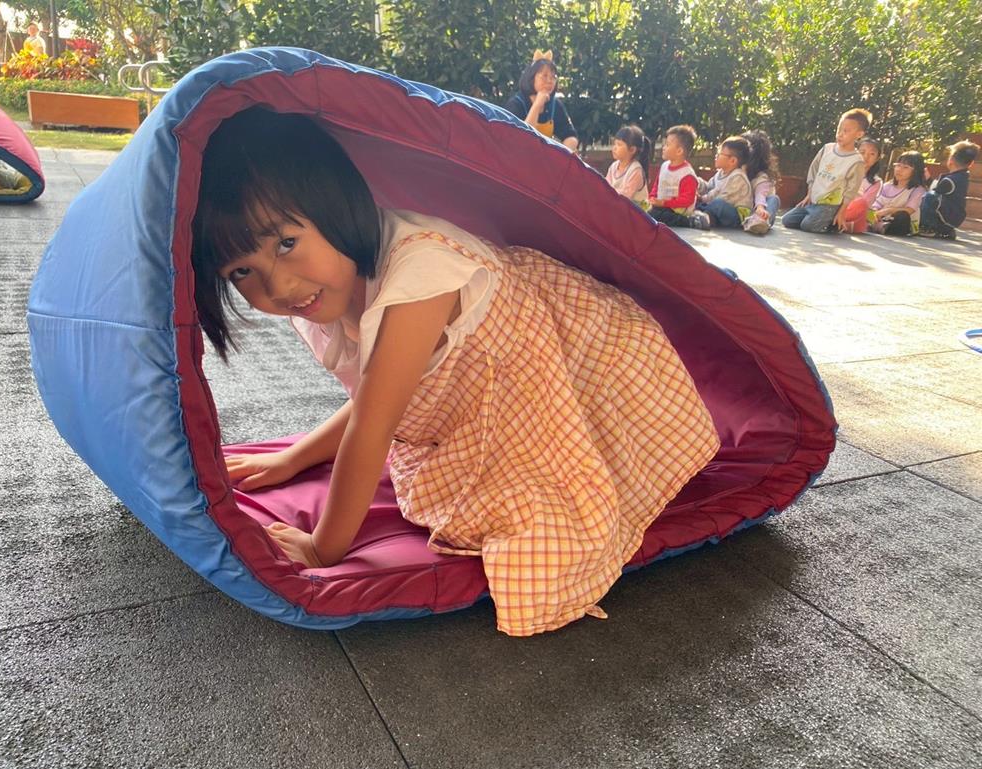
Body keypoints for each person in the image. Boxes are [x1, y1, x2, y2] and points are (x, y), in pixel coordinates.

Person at [190, 107, 720, 636]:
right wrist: (293, 458)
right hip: (501, 376)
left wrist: (321, 548)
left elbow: (374, 425)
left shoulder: (419, 275)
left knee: (548, 512)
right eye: (242, 271)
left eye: (286, 243)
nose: (278, 286)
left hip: (598, 363)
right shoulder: (320, 286)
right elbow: (382, 394)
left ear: (335, 203)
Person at [782, 108, 871, 233]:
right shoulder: (827, 149)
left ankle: (834, 224)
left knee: (807, 226)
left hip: (830, 206)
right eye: (839, 129)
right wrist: (809, 194)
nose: (840, 134)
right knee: (787, 220)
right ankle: (822, 220)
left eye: (846, 131)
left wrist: (842, 212)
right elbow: (813, 170)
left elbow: (851, 190)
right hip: (813, 200)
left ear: (859, 134)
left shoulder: (856, 161)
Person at [504, 51, 579, 152]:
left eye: (553, 77)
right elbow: (522, 138)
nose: (549, 81)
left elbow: (570, 135)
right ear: (531, 78)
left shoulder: (555, 105)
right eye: (544, 76)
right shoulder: (516, 104)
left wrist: (563, 153)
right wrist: (537, 105)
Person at [689, 136, 754, 230]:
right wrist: (696, 182)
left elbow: (724, 197)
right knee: (704, 203)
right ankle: (706, 218)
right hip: (718, 210)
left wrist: (703, 198)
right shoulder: (720, 173)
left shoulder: (738, 177)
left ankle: (701, 215)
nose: (716, 156)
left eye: (720, 153)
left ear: (732, 161)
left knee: (718, 203)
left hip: (737, 216)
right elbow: (709, 187)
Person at [919, 140, 979, 241]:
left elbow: (935, 191)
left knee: (929, 196)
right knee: (933, 196)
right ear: (971, 163)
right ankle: (946, 230)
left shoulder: (951, 180)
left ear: (951, 160)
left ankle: (929, 228)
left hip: (948, 217)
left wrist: (927, 180)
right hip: (953, 217)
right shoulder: (963, 177)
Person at [863, 151, 927, 236]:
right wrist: (875, 212)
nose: (899, 170)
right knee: (866, 211)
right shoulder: (887, 186)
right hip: (882, 219)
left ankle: (882, 228)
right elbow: (877, 204)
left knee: (902, 216)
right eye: (898, 165)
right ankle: (877, 226)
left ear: (916, 171)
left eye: (905, 167)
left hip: (904, 223)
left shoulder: (917, 190)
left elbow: (910, 210)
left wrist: (889, 210)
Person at [647, 125, 700, 227]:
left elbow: (687, 200)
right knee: (645, 211)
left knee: (658, 216)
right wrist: (652, 197)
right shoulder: (664, 166)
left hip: (678, 211)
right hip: (662, 206)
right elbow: (656, 186)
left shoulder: (687, 174)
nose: (663, 148)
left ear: (679, 151)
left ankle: (690, 221)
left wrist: (664, 203)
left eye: (667, 145)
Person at [740, 129, 782, 235]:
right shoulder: (737, 171)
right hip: (742, 208)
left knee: (774, 199)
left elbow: (761, 194)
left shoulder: (762, 177)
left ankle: (760, 222)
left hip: (759, 210)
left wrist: (760, 208)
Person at [841, 137, 884, 234]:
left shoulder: (875, 182)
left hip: (852, 211)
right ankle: (842, 225)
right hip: (836, 207)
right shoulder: (844, 171)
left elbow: (865, 204)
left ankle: (840, 224)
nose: (866, 157)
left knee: (861, 203)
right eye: (862, 152)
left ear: (877, 158)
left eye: (872, 154)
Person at [605, 124, 651, 207]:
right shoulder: (613, 166)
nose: (614, 148)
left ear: (632, 149)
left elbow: (626, 197)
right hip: (618, 206)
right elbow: (605, 187)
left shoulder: (635, 170)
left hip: (637, 211)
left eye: (619, 145)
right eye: (614, 144)